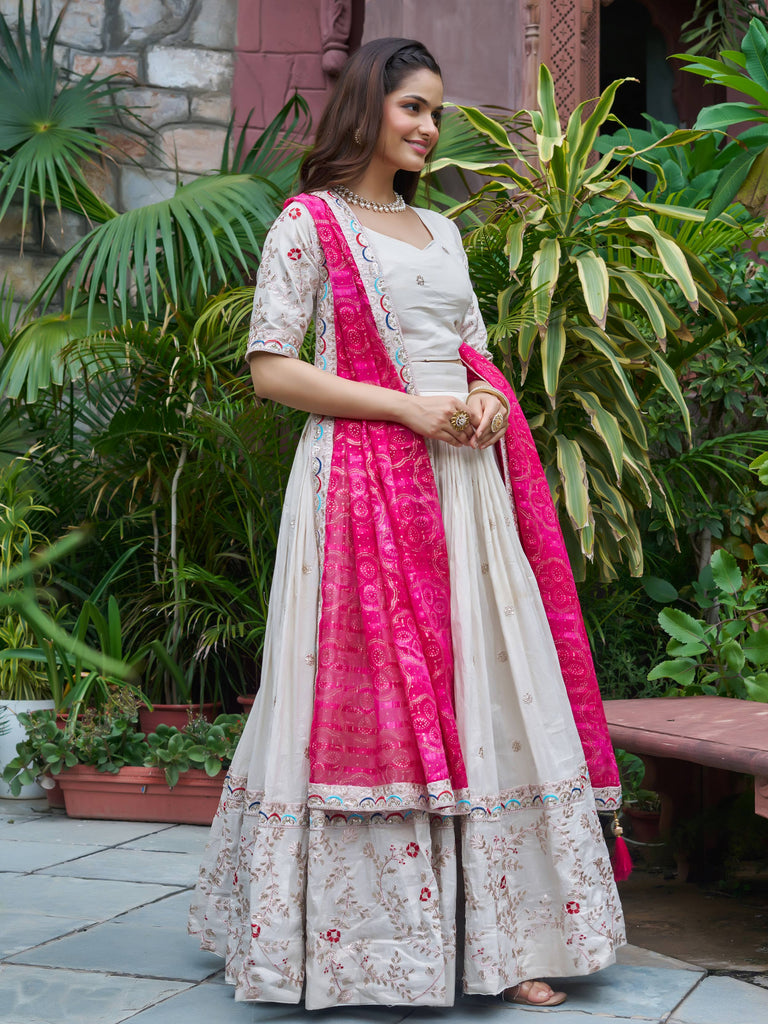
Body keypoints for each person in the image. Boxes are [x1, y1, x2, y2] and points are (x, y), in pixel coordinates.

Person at [189, 37, 627, 1010]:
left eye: (436, 112)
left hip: (463, 485)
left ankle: (504, 942)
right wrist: (406, 410)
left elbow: (472, 355)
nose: (428, 127)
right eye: (412, 108)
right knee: (365, 697)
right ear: (368, 107)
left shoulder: (443, 232)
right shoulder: (310, 224)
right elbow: (273, 368)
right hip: (358, 485)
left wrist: (482, 404)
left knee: (486, 688)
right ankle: (361, 945)